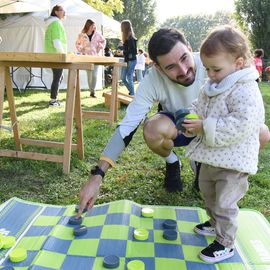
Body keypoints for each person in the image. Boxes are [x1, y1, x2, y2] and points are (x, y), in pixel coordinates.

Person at [78, 28, 270, 215]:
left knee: (261, 133)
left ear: (188, 46)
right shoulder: (151, 80)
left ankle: (209, 166)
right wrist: (97, 175)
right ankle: (173, 162)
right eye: (171, 67)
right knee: (153, 129)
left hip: (214, 130)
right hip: (178, 129)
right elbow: (128, 126)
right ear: (158, 67)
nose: (184, 71)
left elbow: (245, 104)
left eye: (184, 58)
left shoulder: (213, 63)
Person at [182, 25, 265, 263]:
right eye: (207, 68)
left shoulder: (246, 88)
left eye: (216, 69)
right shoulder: (213, 85)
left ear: (238, 63)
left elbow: (242, 124)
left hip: (234, 161)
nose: (210, 74)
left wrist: (205, 125)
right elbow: (200, 106)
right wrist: (190, 117)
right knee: (208, 193)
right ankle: (214, 222)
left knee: (224, 202)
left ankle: (225, 242)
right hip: (212, 157)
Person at [76, 19, 106, 98]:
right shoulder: (82, 35)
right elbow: (77, 44)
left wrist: (100, 47)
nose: (94, 27)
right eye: (92, 25)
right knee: (89, 75)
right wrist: (80, 49)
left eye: (94, 25)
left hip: (96, 57)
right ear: (88, 26)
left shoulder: (97, 34)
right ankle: (91, 91)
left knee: (95, 75)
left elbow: (103, 41)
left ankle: (93, 91)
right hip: (86, 58)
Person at [44, 5, 67, 106]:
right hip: (56, 54)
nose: (64, 12)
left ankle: (54, 99)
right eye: (62, 10)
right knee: (58, 77)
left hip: (51, 54)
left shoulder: (52, 23)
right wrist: (62, 53)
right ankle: (53, 100)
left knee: (58, 76)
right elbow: (56, 41)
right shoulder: (56, 23)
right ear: (56, 12)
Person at [120, 20, 137, 96]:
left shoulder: (130, 38)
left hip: (131, 60)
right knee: (123, 78)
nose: (120, 28)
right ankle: (132, 91)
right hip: (127, 60)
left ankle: (132, 94)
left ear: (124, 27)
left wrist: (123, 52)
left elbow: (133, 51)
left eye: (121, 26)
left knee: (129, 76)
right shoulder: (126, 38)